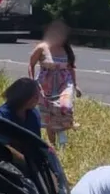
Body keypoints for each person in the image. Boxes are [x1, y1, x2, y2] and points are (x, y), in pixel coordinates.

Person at [29, 20, 80, 148]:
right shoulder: (42, 47)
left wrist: (75, 85)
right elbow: (31, 64)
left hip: (64, 83)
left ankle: (63, 132)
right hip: (46, 84)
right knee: (48, 114)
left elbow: (71, 67)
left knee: (64, 106)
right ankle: (53, 145)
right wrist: (32, 82)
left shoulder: (66, 49)